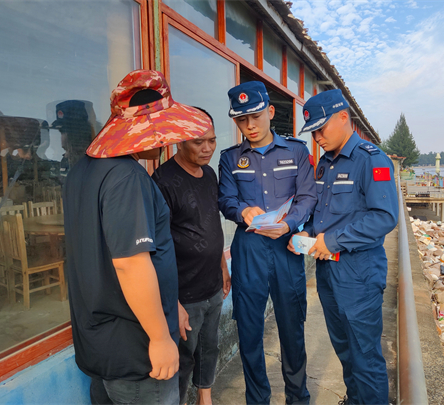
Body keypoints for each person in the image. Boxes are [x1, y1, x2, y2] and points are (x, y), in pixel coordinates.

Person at [63, 69, 213, 405]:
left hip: (100, 344)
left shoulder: (81, 171)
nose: (164, 141)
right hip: (136, 350)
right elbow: (130, 263)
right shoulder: (126, 176)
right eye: (160, 131)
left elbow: (103, 253)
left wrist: (170, 304)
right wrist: (160, 337)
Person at [288, 89, 398, 405]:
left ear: (343, 117)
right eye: (313, 132)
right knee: (345, 350)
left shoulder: (371, 159)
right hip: (328, 271)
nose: (317, 137)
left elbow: (384, 217)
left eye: (321, 129)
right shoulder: (326, 164)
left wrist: (332, 241)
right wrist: (307, 233)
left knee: (365, 356)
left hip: (359, 273)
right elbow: (324, 215)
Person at [218, 81, 316, 405]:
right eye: (241, 119)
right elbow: (225, 199)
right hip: (249, 252)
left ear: (270, 112)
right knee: (249, 334)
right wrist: (242, 211)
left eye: (256, 116)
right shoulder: (230, 158)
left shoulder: (296, 151)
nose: (249, 125)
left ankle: (297, 398)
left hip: (286, 250)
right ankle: (257, 399)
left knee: (292, 331)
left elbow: (307, 196)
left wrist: (289, 223)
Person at [151, 107, 231, 405]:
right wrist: (172, 301)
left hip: (212, 284)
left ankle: (204, 398)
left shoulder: (209, 174)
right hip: (184, 292)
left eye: (211, 140)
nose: (207, 148)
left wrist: (222, 264)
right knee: (183, 358)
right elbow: (156, 247)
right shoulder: (162, 181)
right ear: (179, 141)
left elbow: (211, 224)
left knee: (209, 347)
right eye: (198, 142)